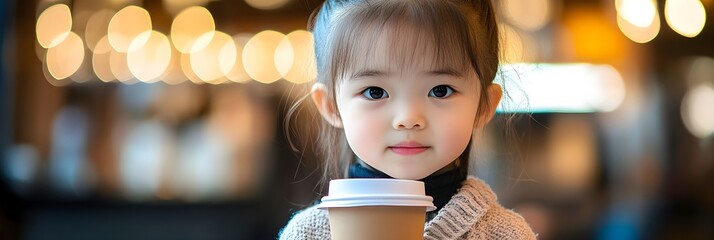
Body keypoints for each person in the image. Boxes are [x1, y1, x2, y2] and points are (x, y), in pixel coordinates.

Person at [280, 0, 536, 239]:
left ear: (484, 106)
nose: (408, 119)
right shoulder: (308, 234)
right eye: (375, 92)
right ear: (331, 106)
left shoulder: (506, 234)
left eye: (440, 90)